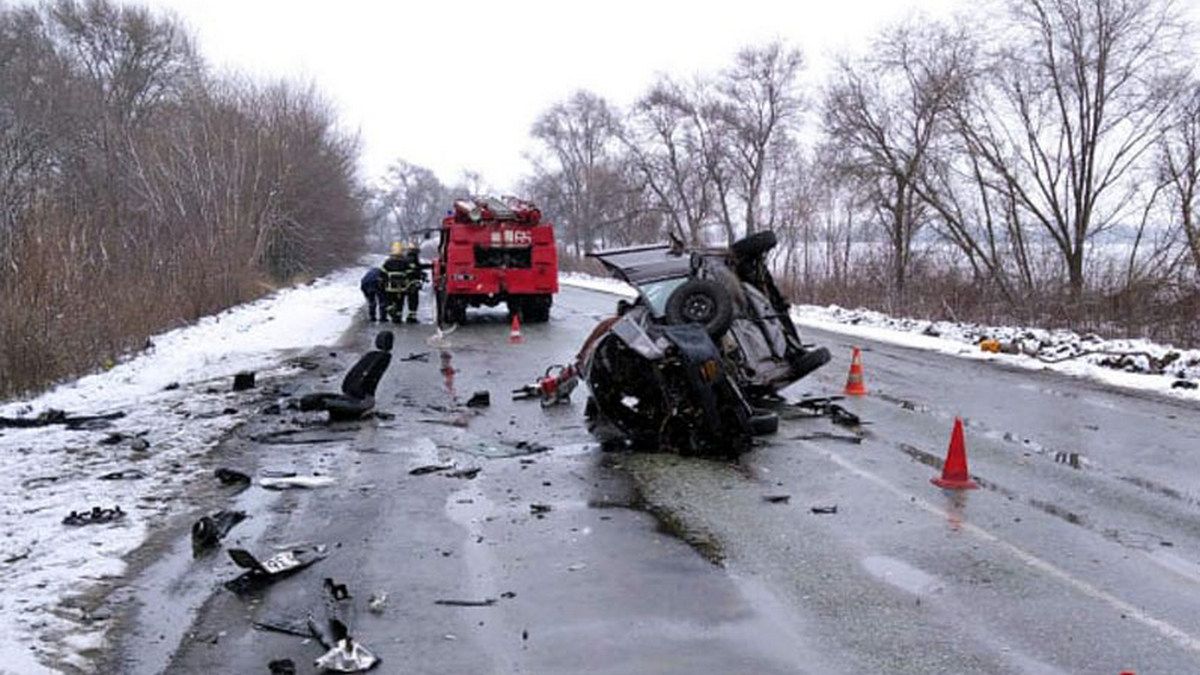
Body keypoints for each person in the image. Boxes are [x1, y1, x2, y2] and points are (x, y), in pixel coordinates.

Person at [299, 331, 394, 421]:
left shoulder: (379, 358)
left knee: (318, 402)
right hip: (354, 395)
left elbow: (367, 380)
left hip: (362, 400)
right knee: (309, 400)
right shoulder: (371, 356)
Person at [381, 242, 427, 323]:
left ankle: (393, 313)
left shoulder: (387, 262)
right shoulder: (405, 262)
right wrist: (418, 276)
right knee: (400, 302)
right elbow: (410, 273)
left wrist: (383, 283)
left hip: (390, 288)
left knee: (390, 301)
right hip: (401, 288)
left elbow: (382, 273)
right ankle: (399, 317)